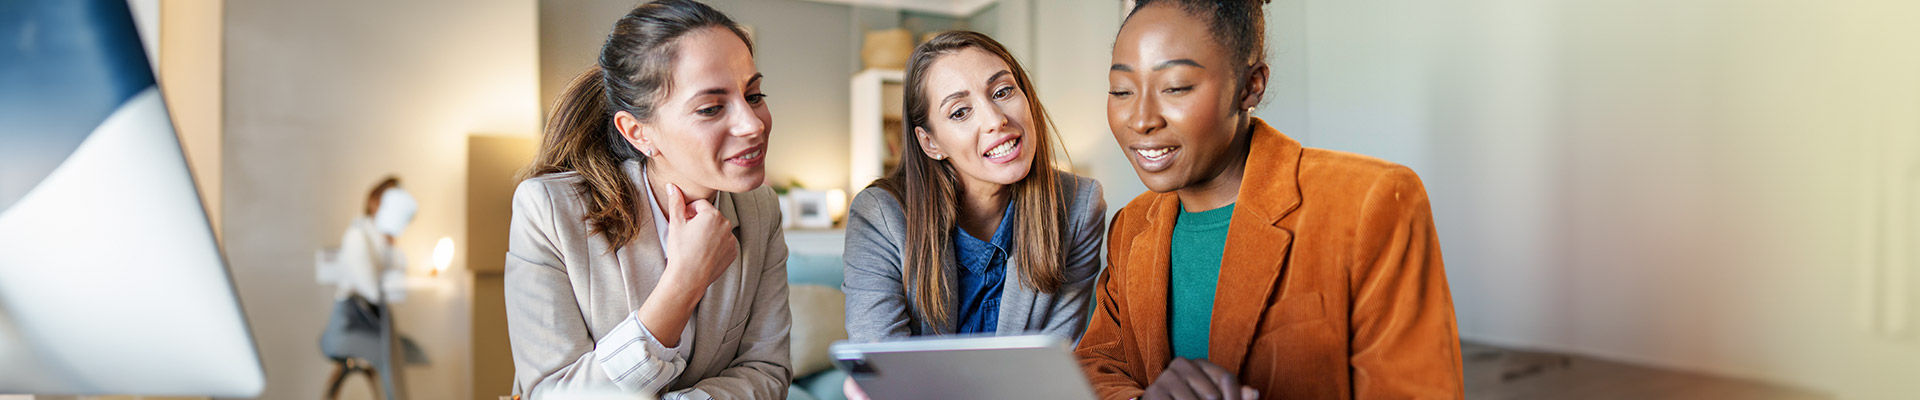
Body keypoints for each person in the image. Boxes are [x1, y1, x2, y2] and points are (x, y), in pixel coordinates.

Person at [1075, 0, 1464, 399]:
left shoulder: (1369, 203)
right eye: (1121, 90)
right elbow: (1099, 368)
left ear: (1250, 86)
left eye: (1175, 87)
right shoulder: (1131, 225)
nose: (1141, 119)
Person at [503, 1, 789, 398]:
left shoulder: (760, 209)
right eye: (711, 108)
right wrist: (684, 282)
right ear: (638, 132)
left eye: (754, 95)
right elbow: (553, 392)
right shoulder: (549, 211)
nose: (753, 124)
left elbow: (767, 371)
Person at [839, 30, 1107, 398]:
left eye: (1002, 92)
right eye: (960, 112)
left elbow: (1056, 365)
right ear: (930, 143)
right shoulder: (880, 216)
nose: (995, 119)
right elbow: (885, 371)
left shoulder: (1079, 205)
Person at [320, 176, 415, 400]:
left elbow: (401, 267)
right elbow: (372, 289)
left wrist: (390, 241)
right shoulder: (357, 236)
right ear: (375, 202)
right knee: (397, 353)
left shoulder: (380, 238)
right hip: (349, 325)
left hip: (369, 320)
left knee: (403, 350)